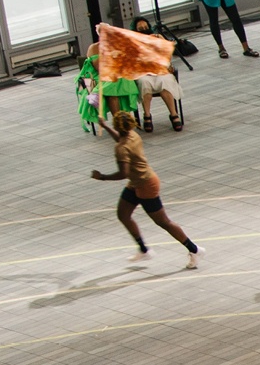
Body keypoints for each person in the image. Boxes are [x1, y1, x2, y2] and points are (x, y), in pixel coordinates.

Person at [91, 110, 200, 268]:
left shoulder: (121, 148)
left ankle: (195, 250)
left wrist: (102, 177)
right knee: (123, 214)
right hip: (139, 182)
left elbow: (124, 173)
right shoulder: (132, 135)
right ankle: (144, 250)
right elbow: (121, 140)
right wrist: (106, 126)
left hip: (146, 185)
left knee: (163, 222)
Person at [127, 17, 183, 133]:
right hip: (143, 73)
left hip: (160, 70)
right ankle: (147, 115)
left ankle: (173, 114)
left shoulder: (157, 37)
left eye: (145, 27)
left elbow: (167, 54)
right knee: (144, 83)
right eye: (140, 29)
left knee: (164, 82)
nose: (144, 29)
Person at [76, 40, 140, 132]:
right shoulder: (94, 47)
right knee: (115, 85)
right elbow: (99, 68)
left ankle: (121, 122)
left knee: (119, 80)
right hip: (99, 78)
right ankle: (120, 123)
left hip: (117, 76)